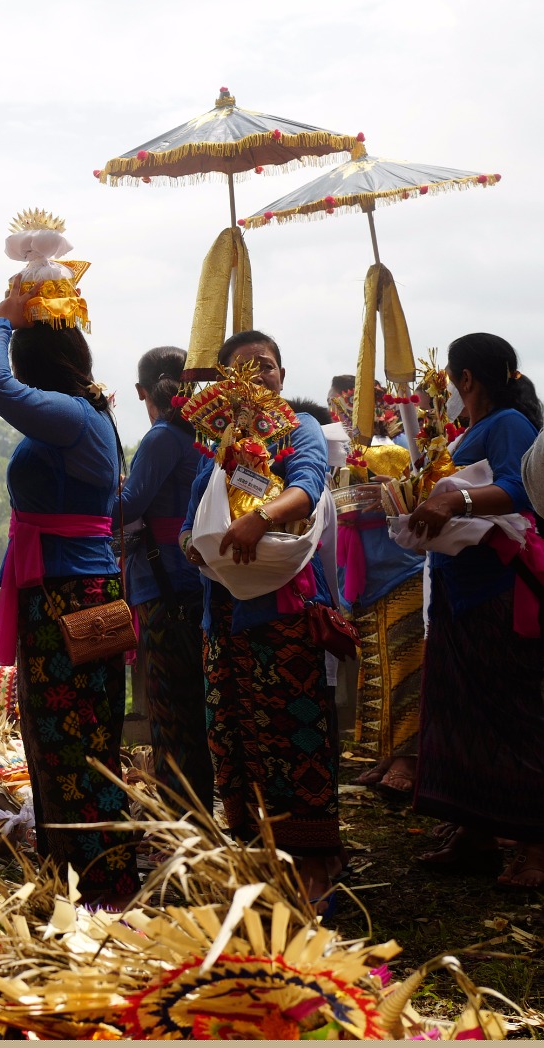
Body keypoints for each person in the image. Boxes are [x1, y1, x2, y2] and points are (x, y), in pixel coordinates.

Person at [0, 277, 135, 901]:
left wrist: (1, 318)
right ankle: (77, 877)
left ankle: (97, 884)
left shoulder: (69, 415)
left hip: (71, 593)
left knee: (74, 742)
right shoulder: (85, 414)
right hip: (70, 586)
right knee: (65, 740)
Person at [181, 330, 342, 904]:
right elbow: (194, 516)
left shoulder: (299, 429)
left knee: (296, 736)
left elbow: (307, 485)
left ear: (282, 374)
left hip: (286, 611)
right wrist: (195, 545)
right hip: (223, 616)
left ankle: (314, 864)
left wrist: (259, 519)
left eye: (268, 366)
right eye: (244, 369)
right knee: (235, 740)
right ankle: (257, 859)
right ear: (224, 383)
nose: (259, 377)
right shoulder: (216, 447)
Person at [407, 332, 544, 889]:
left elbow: (520, 489)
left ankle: (536, 847)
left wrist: (452, 498)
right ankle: (476, 834)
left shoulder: (509, 425)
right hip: (459, 590)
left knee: (512, 716)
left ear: (464, 379)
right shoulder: (465, 431)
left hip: (498, 590)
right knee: (460, 713)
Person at [120, 346, 211, 805]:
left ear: (142, 392)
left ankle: (182, 819)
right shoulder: (203, 436)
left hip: (163, 588)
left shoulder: (161, 438)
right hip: (194, 585)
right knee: (194, 705)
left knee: (169, 710)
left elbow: (127, 507)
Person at [326, 375, 424, 798]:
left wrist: (383, 491)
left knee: (405, 671)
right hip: (359, 578)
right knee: (376, 669)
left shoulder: (398, 450)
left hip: (399, 571)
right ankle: (384, 752)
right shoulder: (334, 451)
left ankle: (409, 759)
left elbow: (412, 497)